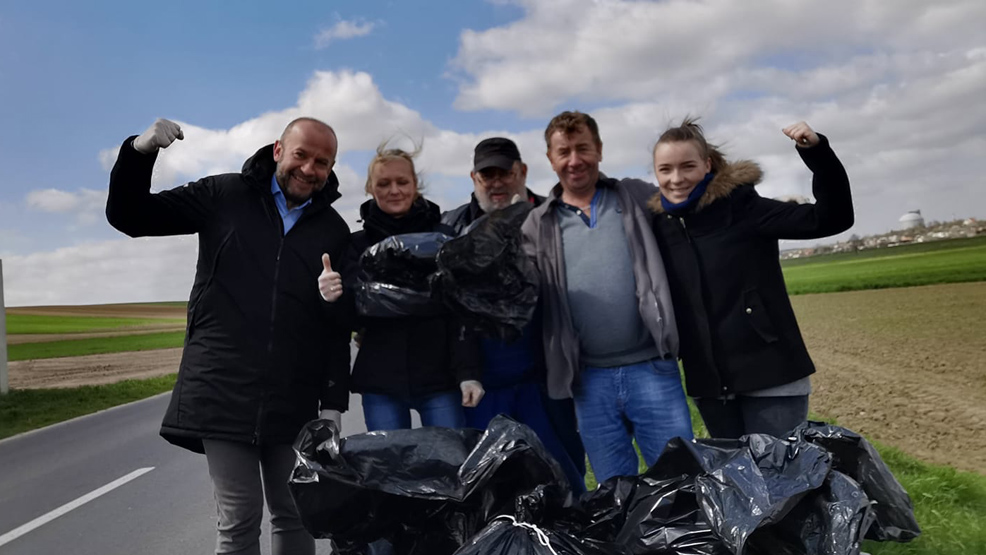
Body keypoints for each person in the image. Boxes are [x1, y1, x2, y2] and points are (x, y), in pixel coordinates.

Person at [105, 117, 352, 555]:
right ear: (278, 150)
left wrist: (332, 405)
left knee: (296, 513)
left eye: (322, 162)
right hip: (220, 387)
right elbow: (130, 215)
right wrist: (140, 152)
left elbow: (333, 329)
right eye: (301, 155)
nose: (310, 169)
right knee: (240, 517)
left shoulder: (333, 230)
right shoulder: (224, 195)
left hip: (292, 397)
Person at [648, 119, 853, 439]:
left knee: (781, 484)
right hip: (711, 387)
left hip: (773, 377)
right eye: (665, 170)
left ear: (707, 164)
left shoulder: (745, 209)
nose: (676, 179)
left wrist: (818, 154)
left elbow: (832, 218)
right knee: (734, 486)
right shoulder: (659, 227)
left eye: (687, 166)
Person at [520, 111, 693, 485]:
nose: (574, 160)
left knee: (680, 483)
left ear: (599, 149)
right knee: (615, 493)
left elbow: (696, 209)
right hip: (588, 379)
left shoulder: (637, 195)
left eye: (583, 148)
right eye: (563, 151)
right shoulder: (538, 223)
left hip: (653, 370)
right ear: (550, 159)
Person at [442, 137, 588, 493]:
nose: (496, 183)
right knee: (494, 483)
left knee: (562, 471)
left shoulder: (552, 217)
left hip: (544, 376)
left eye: (504, 173)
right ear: (473, 178)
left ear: (521, 172)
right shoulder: (453, 227)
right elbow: (449, 311)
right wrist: (466, 373)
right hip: (484, 383)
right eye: (486, 175)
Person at [347, 143, 485, 432]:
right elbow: (350, 311)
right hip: (380, 381)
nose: (394, 190)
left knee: (449, 470)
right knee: (388, 474)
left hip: (440, 379)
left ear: (416, 185)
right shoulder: (355, 245)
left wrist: (468, 373)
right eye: (383, 183)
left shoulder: (445, 240)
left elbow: (461, 313)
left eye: (402, 182)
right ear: (370, 188)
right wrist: (333, 294)